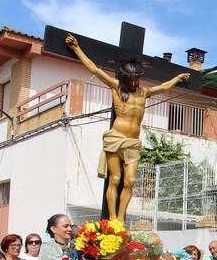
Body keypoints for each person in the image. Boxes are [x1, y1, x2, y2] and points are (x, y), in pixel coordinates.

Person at [65, 34, 190, 221]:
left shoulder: (144, 92)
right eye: (130, 79)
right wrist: (76, 48)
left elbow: (164, 87)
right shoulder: (116, 86)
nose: (133, 82)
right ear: (125, 77)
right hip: (116, 137)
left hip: (133, 142)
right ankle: (113, 218)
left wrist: (178, 78)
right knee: (115, 179)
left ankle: (121, 218)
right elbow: (94, 69)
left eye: (136, 79)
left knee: (130, 181)